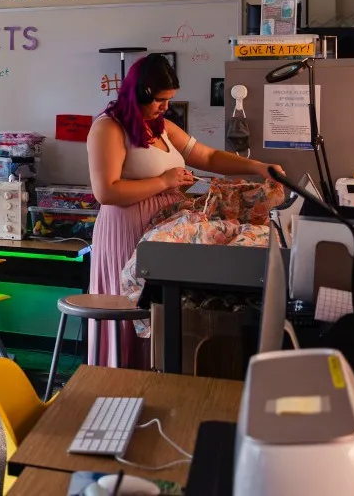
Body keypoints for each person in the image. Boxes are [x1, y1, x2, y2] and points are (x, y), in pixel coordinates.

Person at [86, 53, 281, 367]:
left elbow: (208, 157)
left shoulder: (162, 127)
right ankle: (124, 377)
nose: (165, 107)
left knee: (162, 307)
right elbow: (106, 192)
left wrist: (258, 167)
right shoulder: (108, 128)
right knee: (134, 302)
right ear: (139, 94)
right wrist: (165, 181)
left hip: (164, 228)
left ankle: (156, 373)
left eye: (169, 100)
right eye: (160, 100)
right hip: (127, 229)